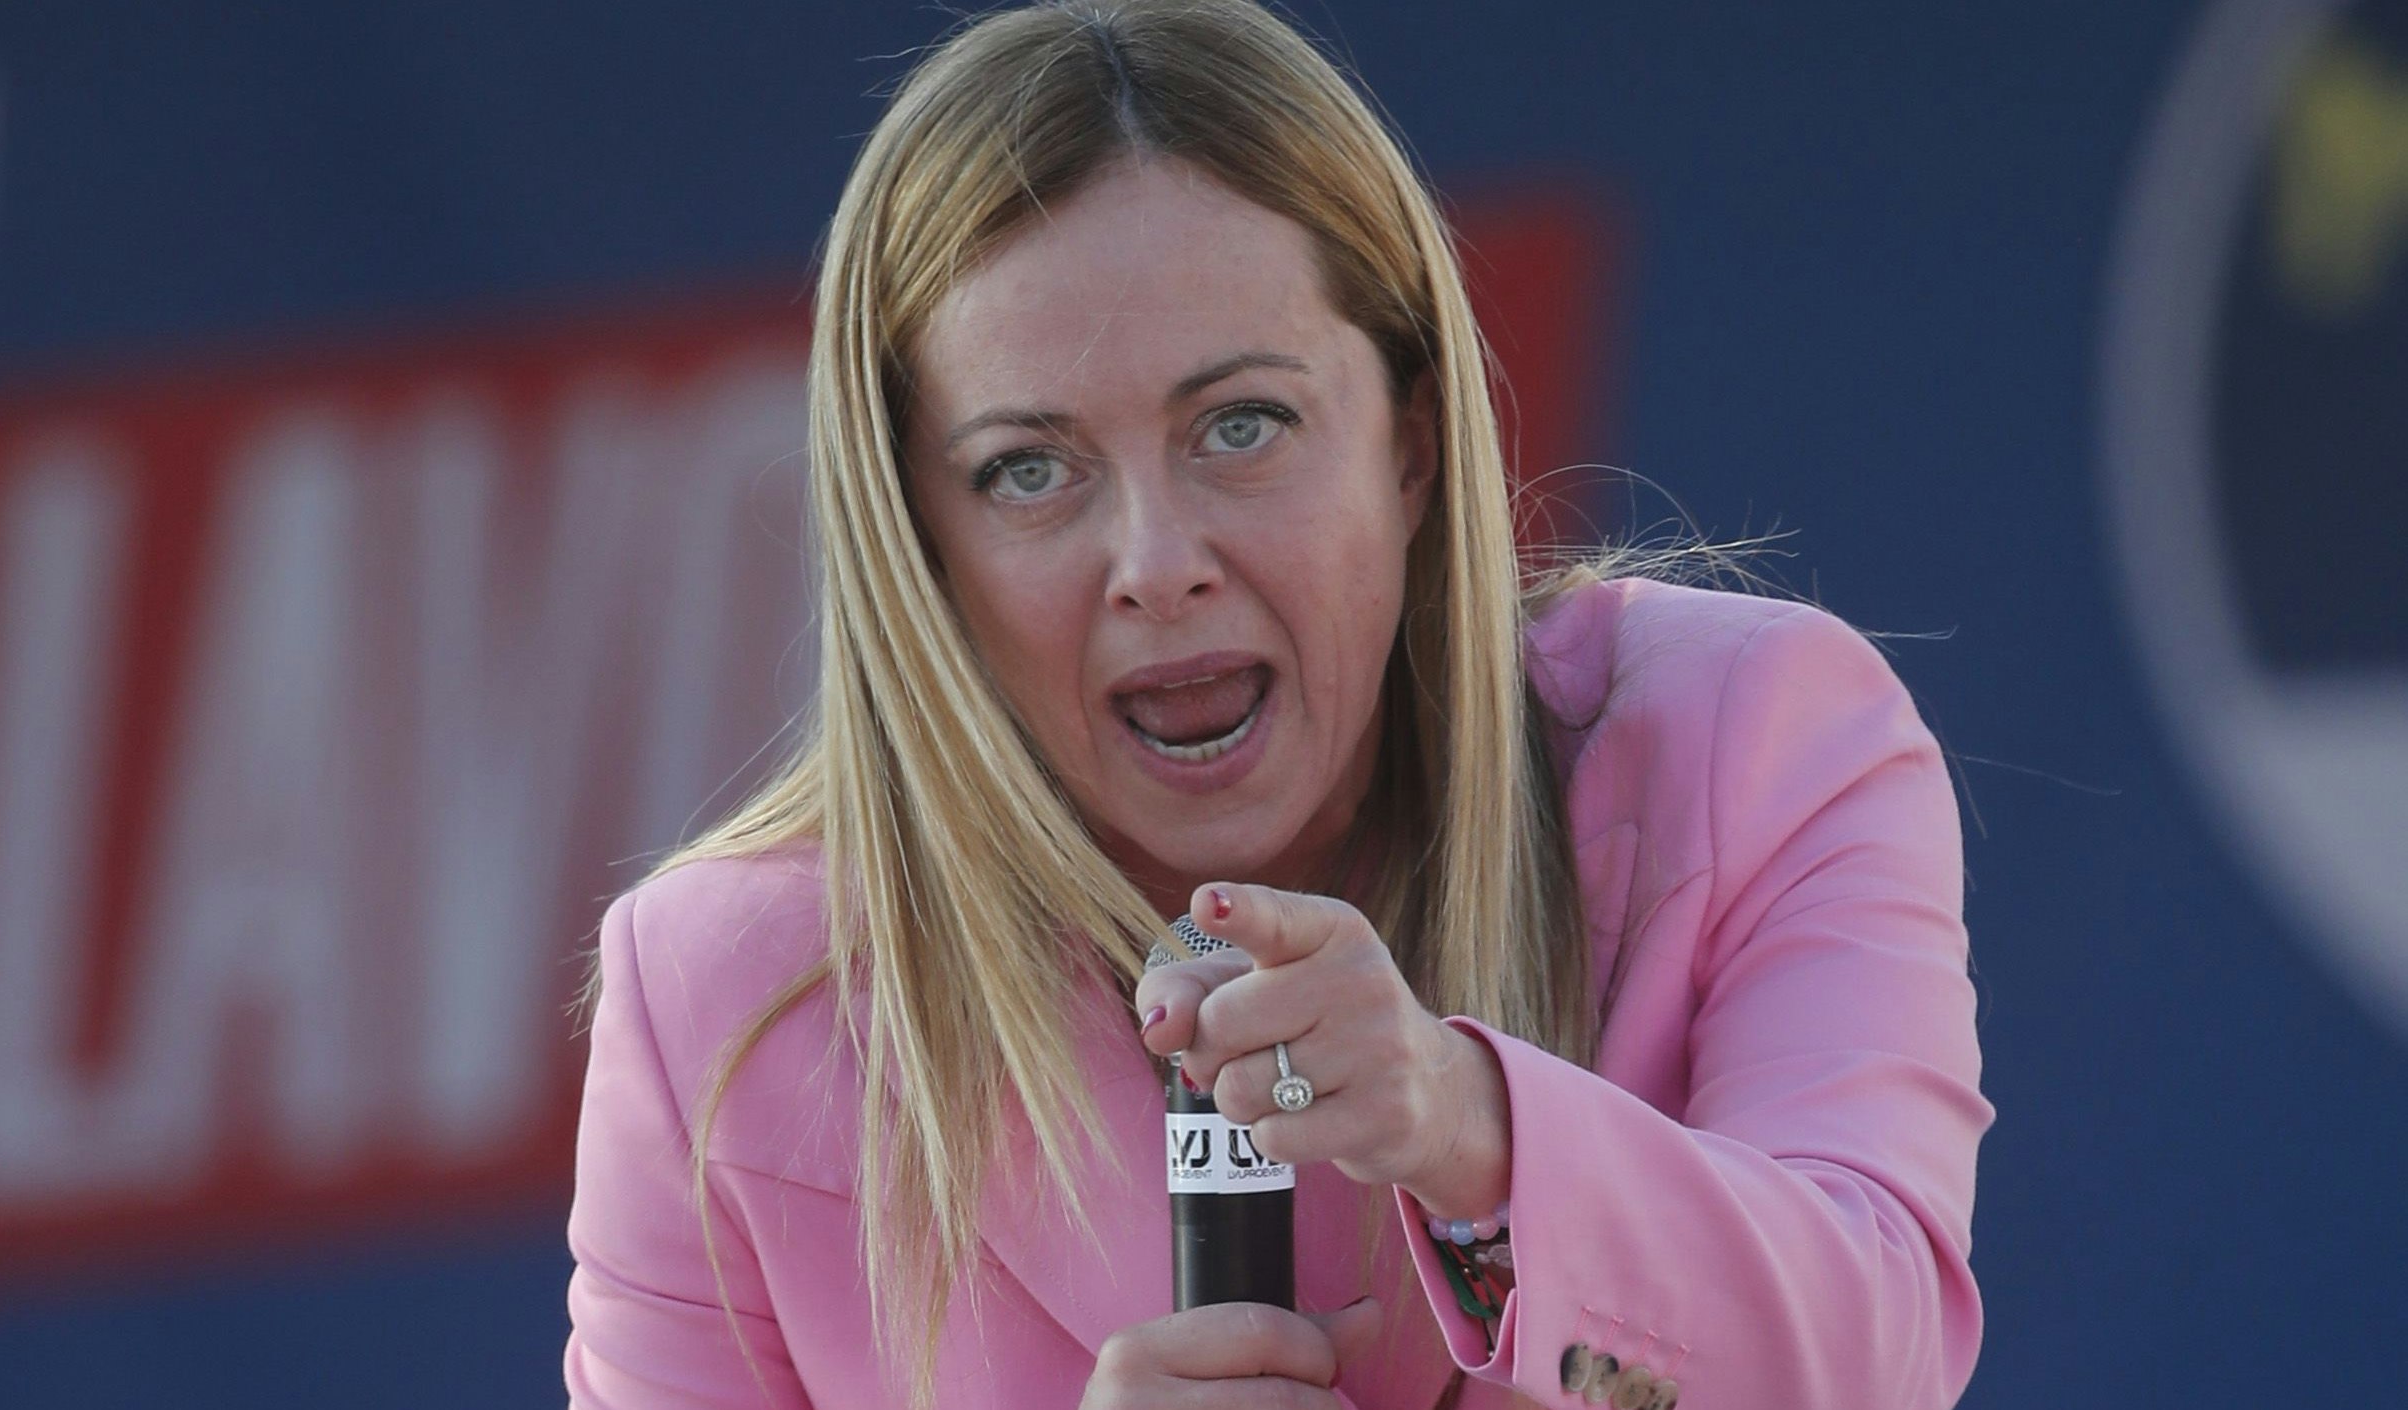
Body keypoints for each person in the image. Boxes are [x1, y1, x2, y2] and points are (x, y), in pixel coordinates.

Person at [561, 1, 1992, 1406]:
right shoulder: (720, 1001)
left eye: (1240, 426)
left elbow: (1880, 1361)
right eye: (1027, 470)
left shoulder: (1757, 740)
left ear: (1412, 449)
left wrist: (1473, 1128)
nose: (1156, 565)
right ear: (921, 547)